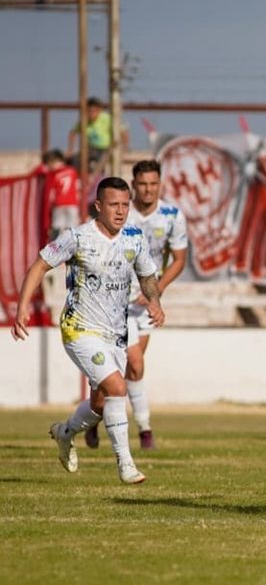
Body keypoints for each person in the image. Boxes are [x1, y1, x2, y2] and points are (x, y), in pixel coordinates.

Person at [10, 177, 164, 484]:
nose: (120, 211)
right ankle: (126, 464)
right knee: (118, 388)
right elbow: (40, 265)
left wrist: (155, 300)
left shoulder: (134, 238)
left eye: (124, 205)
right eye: (113, 205)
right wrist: (23, 306)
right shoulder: (77, 237)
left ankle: (65, 433)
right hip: (79, 330)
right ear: (98, 206)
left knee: (100, 403)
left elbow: (147, 276)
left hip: (114, 334)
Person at [85, 160, 189, 451]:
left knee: (128, 369)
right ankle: (144, 430)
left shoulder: (171, 215)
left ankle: (94, 416)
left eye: (153, 184)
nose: (148, 190)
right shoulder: (121, 213)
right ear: (134, 184)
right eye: (142, 184)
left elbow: (179, 259)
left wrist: (157, 289)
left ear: (160, 184)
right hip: (116, 300)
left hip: (145, 302)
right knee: (134, 362)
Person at [67, 97, 129, 173]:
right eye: (89, 111)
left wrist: (124, 148)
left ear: (100, 110)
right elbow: (73, 133)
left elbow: (123, 131)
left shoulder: (107, 118)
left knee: (98, 163)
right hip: (90, 149)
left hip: (106, 149)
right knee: (73, 160)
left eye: (94, 111)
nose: (91, 114)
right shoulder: (84, 120)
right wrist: (70, 149)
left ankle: (97, 178)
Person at [34, 149, 80, 241]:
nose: (49, 166)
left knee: (57, 226)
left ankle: (55, 248)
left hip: (59, 204)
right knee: (72, 227)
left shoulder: (53, 174)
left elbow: (38, 171)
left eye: (50, 163)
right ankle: (71, 246)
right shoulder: (72, 171)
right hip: (72, 204)